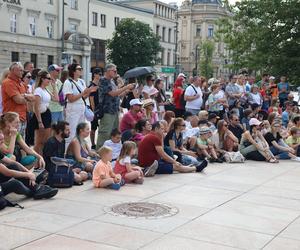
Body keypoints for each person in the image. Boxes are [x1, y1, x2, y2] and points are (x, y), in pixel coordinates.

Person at [138, 121, 207, 175]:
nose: (164, 131)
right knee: (176, 166)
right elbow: (163, 154)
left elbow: (162, 150)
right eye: (162, 129)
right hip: (151, 165)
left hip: (152, 162)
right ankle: (196, 168)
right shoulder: (153, 137)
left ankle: (188, 167)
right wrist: (174, 162)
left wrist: (161, 137)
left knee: (174, 162)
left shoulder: (152, 136)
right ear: (156, 129)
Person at [97, 64, 135, 148]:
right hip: (107, 110)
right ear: (108, 71)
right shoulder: (104, 80)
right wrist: (125, 87)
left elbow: (117, 95)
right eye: (114, 71)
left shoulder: (111, 81)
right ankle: (99, 152)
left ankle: (110, 152)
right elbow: (113, 93)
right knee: (105, 133)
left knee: (114, 133)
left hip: (114, 110)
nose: (116, 73)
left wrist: (126, 91)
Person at [63, 63, 97, 147]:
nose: (81, 70)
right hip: (73, 109)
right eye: (79, 69)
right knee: (72, 131)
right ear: (73, 71)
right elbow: (70, 99)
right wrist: (84, 93)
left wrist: (89, 92)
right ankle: (68, 152)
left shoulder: (81, 81)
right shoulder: (68, 82)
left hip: (81, 108)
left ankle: (79, 151)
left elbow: (83, 97)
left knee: (81, 131)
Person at [2, 62, 35, 137]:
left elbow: (33, 97)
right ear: (13, 71)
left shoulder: (21, 83)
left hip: (22, 118)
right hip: (12, 120)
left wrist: (24, 96)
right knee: (12, 144)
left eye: (22, 70)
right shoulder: (8, 82)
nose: (22, 72)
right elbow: (19, 100)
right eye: (20, 70)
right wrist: (26, 97)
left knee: (20, 145)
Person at [32, 70, 57, 155]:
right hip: (40, 116)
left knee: (45, 141)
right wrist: (39, 121)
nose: (50, 80)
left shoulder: (45, 89)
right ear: (42, 79)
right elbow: (36, 107)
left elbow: (56, 99)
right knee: (39, 142)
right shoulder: (38, 90)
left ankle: (42, 161)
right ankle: (36, 163)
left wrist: (54, 86)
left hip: (46, 114)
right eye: (48, 78)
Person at [89, 68, 102, 149]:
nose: (101, 76)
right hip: (94, 109)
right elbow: (91, 99)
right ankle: (93, 144)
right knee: (93, 128)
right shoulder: (92, 86)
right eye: (99, 74)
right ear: (95, 75)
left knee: (100, 128)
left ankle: (99, 143)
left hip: (101, 109)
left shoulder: (100, 85)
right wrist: (94, 111)